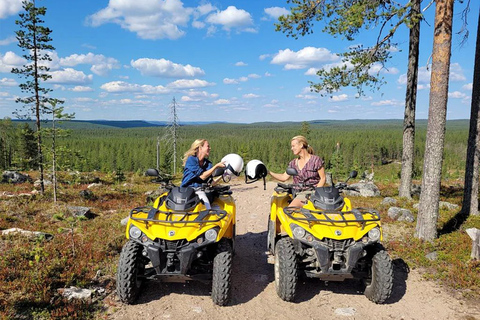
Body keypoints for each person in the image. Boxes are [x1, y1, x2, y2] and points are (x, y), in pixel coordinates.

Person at [269, 135, 326, 208]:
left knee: (291, 212)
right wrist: (268, 172)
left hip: (313, 192)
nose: (291, 148)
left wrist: (315, 193)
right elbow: (283, 177)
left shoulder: (316, 160)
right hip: (299, 194)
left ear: (301, 145)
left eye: (293, 146)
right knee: (288, 211)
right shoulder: (293, 163)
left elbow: (323, 178)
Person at [181, 139, 225, 209]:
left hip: (199, 190)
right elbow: (202, 176)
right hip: (186, 190)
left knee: (207, 209)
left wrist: (223, 176)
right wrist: (216, 166)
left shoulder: (208, 164)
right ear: (200, 148)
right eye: (208, 146)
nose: (210, 148)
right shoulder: (191, 160)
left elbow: (212, 183)